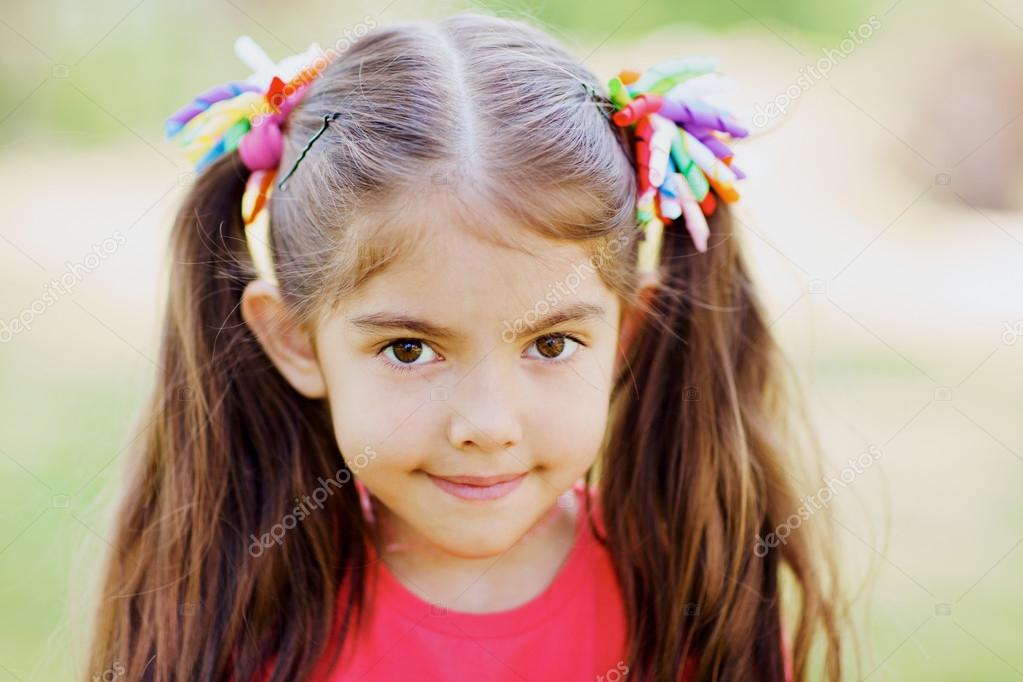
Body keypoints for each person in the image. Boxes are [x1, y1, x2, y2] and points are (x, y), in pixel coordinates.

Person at [86, 11, 844, 681]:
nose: (486, 423)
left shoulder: (693, 594)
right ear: (297, 342)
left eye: (551, 343)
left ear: (625, 337)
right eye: (410, 350)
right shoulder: (233, 610)